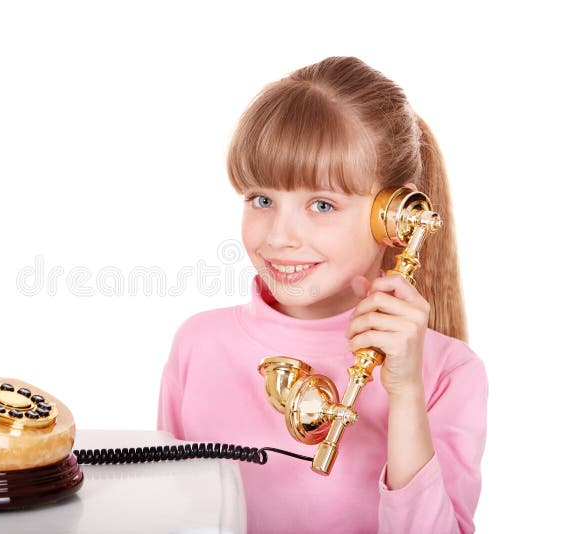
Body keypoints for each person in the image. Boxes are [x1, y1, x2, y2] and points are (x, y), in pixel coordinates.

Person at [157, 56, 487, 533]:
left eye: (322, 204)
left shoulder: (448, 374)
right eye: (262, 199)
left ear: (395, 215)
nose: (279, 237)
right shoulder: (198, 345)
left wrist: (405, 394)